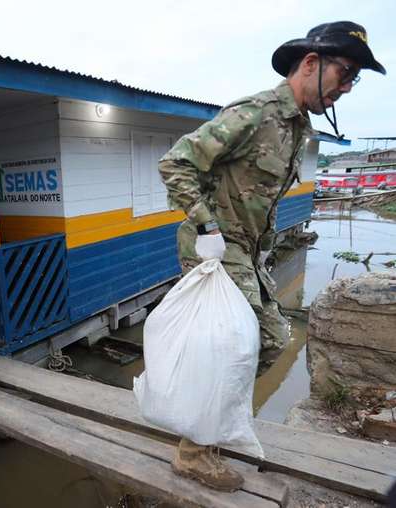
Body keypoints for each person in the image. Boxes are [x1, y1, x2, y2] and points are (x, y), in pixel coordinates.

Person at [157, 21, 384, 491]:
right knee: (235, 347)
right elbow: (176, 162)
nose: (346, 87)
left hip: (249, 251)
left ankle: (206, 425)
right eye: (345, 73)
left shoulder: (298, 127)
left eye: (354, 79)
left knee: (274, 341)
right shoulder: (256, 112)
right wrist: (208, 227)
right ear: (310, 63)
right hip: (216, 248)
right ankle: (194, 451)